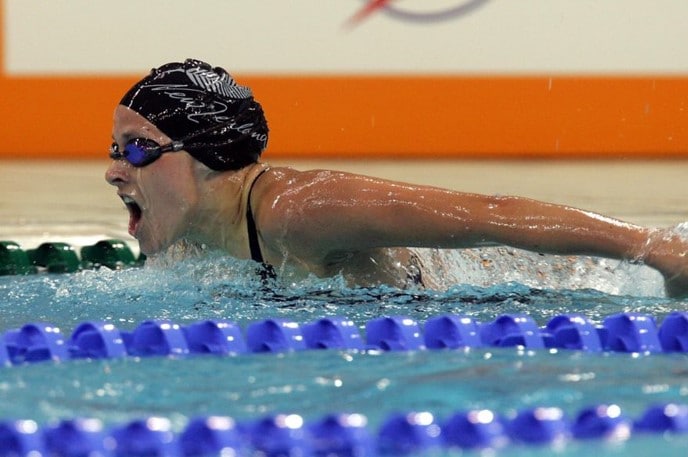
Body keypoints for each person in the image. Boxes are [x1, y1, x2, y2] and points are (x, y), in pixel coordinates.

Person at [106, 58, 688, 296]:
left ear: (208, 152)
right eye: (114, 150)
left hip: (504, 299)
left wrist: (654, 248)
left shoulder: (300, 209)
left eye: (136, 150)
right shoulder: (185, 240)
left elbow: (493, 214)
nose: (112, 171)